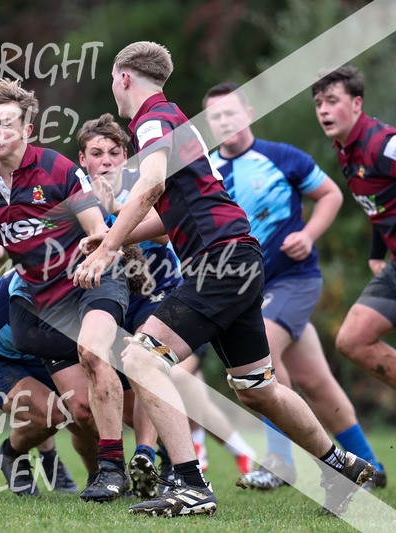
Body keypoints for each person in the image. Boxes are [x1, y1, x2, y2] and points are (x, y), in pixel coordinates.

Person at [74, 41, 374, 517]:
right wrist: (114, 231)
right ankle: (341, 466)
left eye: (113, 80)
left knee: (141, 357)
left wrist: (109, 247)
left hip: (220, 262)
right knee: (256, 388)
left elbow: (150, 187)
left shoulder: (152, 119)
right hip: (235, 259)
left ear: (124, 77)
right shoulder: (174, 120)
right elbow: (175, 214)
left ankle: (190, 485)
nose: (113, 88)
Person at [0, 79, 132, 502]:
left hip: (92, 278)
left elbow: (97, 229)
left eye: (6, 124)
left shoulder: (57, 169)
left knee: (96, 355)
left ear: (27, 130)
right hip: (46, 303)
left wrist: (95, 250)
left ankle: (117, 467)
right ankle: (101, 477)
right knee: (78, 411)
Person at [204, 81, 386, 490]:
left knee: (261, 350)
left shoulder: (281, 157)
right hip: (248, 292)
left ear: (248, 113)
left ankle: (280, 461)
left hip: (293, 281)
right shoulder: (209, 173)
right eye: (215, 116)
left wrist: (308, 235)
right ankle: (372, 467)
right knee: (318, 384)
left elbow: (330, 195)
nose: (224, 121)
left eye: (230, 112)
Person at [78, 112, 257, 489]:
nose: (107, 160)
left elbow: (161, 236)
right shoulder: (75, 189)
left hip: (165, 291)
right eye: (98, 153)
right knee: (148, 379)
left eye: (115, 152)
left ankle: (154, 453)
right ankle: (178, 456)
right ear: (83, 158)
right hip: (112, 296)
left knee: (157, 365)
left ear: (127, 155)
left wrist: (114, 219)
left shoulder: (139, 182)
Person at [0, 269, 80, 496]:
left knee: (83, 411)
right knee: (50, 415)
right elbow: (24, 339)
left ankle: (102, 480)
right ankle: (13, 454)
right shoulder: (33, 268)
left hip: (34, 353)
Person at [312, 66, 396, 392]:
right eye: (319, 102)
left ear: (357, 104)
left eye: (332, 100)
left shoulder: (382, 144)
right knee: (352, 340)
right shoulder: (347, 151)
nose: (323, 109)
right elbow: (381, 202)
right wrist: (378, 251)